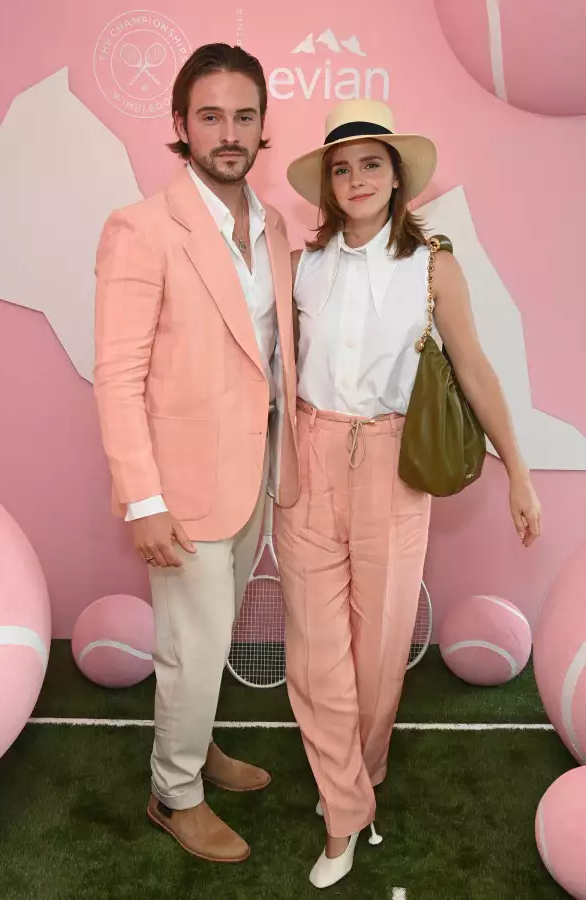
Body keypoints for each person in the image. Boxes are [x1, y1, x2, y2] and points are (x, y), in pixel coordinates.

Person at [274, 98, 542, 889]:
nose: (356, 179)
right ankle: (346, 815)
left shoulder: (433, 265)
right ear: (328, 185)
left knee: (379, 650)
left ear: (397, 178)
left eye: (371, 164)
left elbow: (476, 372)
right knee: (316, 653)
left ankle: (358, 774)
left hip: (393, 465)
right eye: (343, 167)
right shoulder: (304, 265)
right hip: (311, 457)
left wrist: (518, 471)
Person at [93, 43, 299, 864]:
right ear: (181, 125)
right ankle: (174, 792)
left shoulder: (275, 224)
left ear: (261, 127)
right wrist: (143, 501)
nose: (229, 133)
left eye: (244, 116)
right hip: (179, 490)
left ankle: (198, 744)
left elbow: (272, 354)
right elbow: (117, 376)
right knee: (190, 644)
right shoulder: (141, 228)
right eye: (210, 116)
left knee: (209, 640)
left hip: (254, 472)